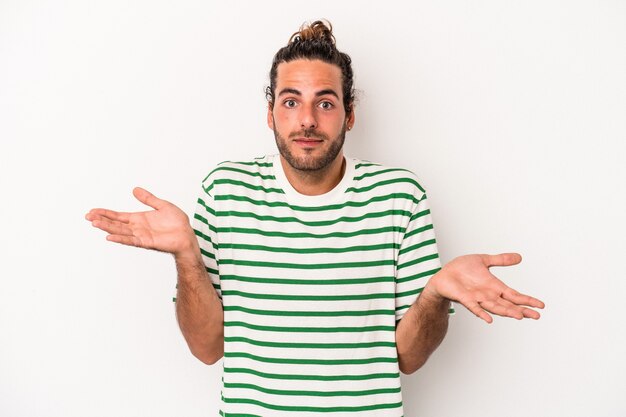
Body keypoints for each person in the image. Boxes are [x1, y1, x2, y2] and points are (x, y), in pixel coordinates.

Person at [86, 20, 544, 416]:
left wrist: (435, 294)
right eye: (290, 101)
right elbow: (207, 349)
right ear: (270, 114)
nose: (307, 119)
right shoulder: (224, 191)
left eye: (325, 103)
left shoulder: (399, 195)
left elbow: (408, 357)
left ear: (349, 116)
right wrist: (186, 254)